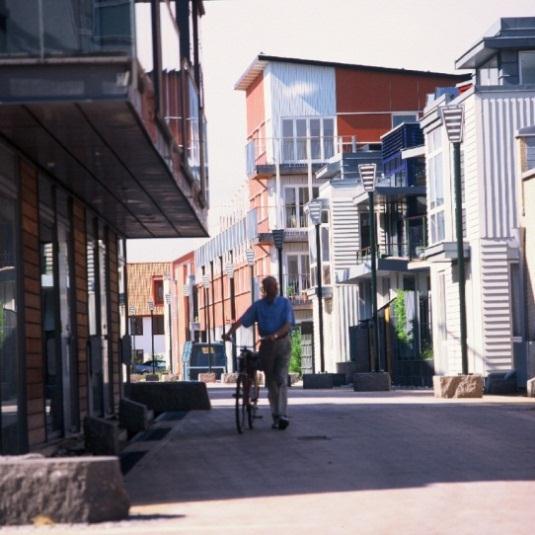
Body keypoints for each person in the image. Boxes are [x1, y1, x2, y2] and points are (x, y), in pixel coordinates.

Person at [223, 276, 294, 430]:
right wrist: (228, 333)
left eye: (274, 286)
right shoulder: (259, 306)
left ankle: (282, 414)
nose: (273, 289)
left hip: (282, 343)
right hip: (267, 346)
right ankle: (276, 416)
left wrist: (275, 335)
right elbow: (242, 320)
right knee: (271, 381)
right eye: (269, 287)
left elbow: (288, 324)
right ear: (264, 289)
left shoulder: (284, 303)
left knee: (281, 378)